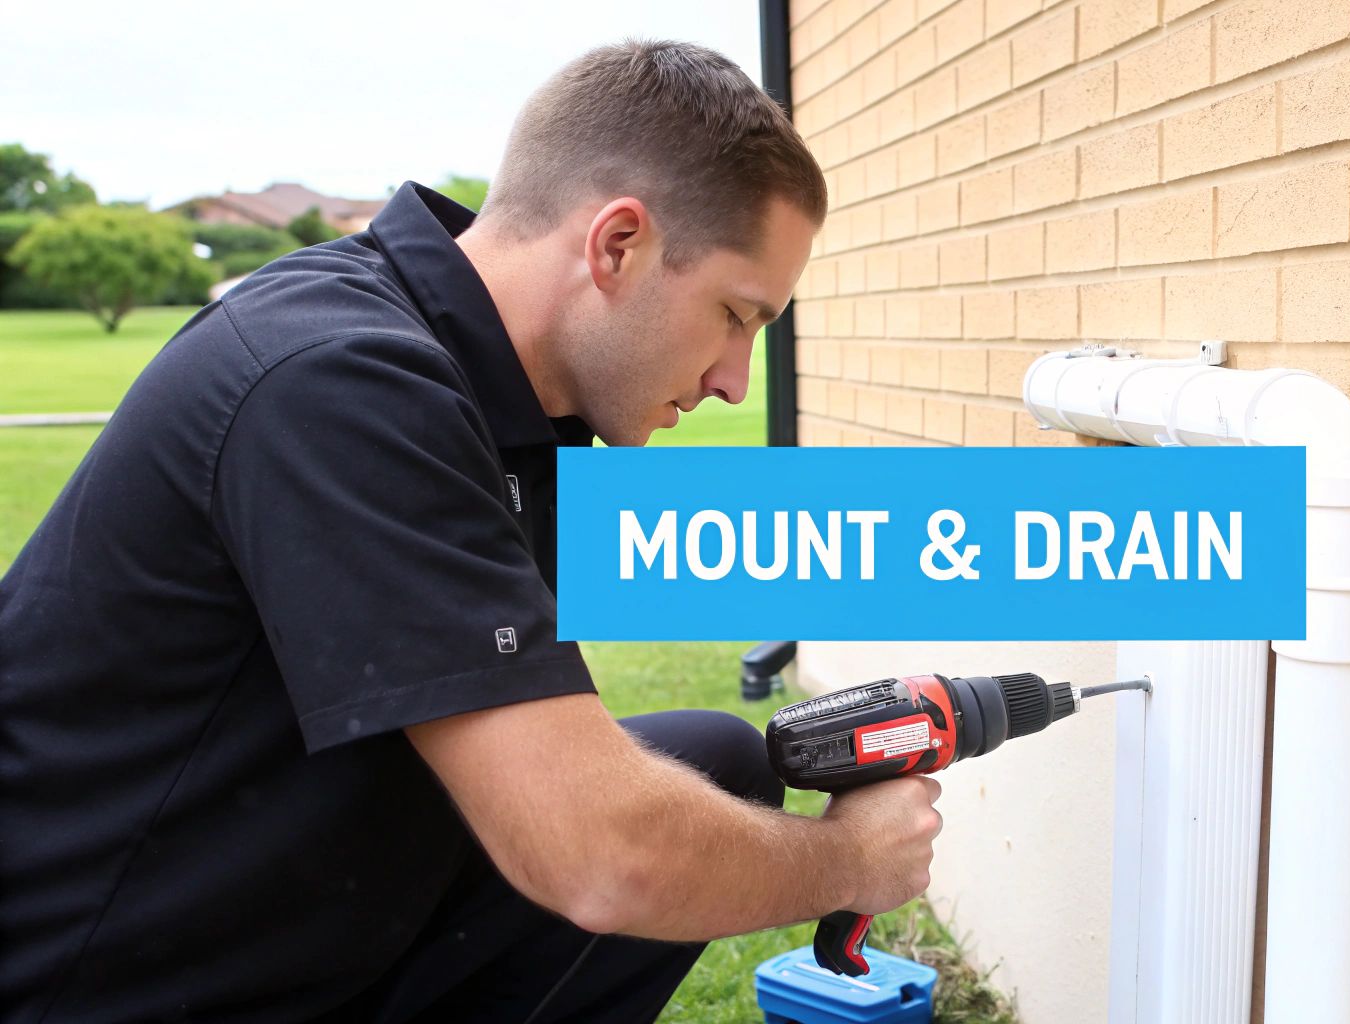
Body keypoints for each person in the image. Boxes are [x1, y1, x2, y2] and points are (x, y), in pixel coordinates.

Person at [0, 40, 942, 1023]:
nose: (734, 381)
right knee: (622, 834)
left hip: (301, 899)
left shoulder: (509, 398)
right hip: (112, 978)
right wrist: (850, 861)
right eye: (735, 316)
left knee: (717, 763)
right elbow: (599, 857)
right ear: (617, 244)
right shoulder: (337, 383)